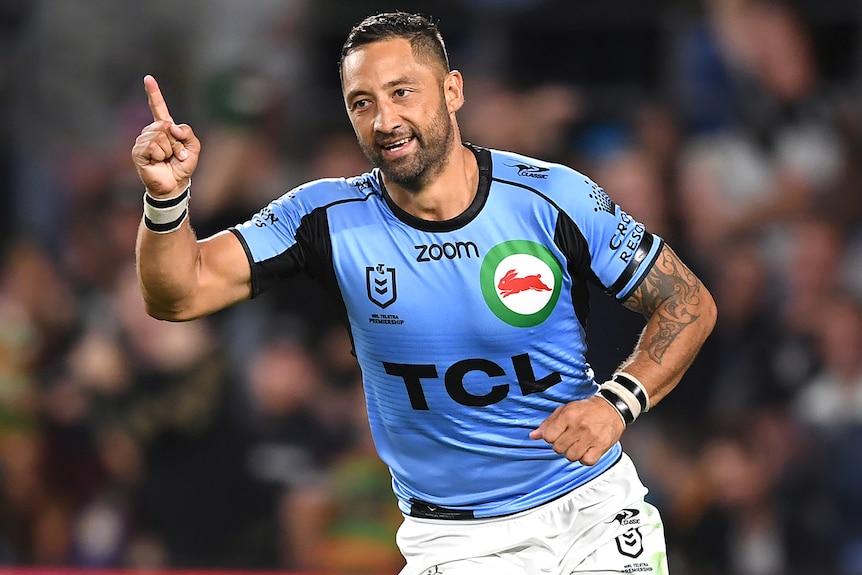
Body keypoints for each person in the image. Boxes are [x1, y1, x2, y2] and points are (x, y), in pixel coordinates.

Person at [131, 11, 717, 575]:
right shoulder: (323, 218)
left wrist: (618, 403)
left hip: (590, 510)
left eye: (403, 92)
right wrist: (165, 202)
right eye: (363, 103)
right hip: (455, 540)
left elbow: (687, 303)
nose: (385, 119)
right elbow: (178, 296)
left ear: (452, 90)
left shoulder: (551, 198)